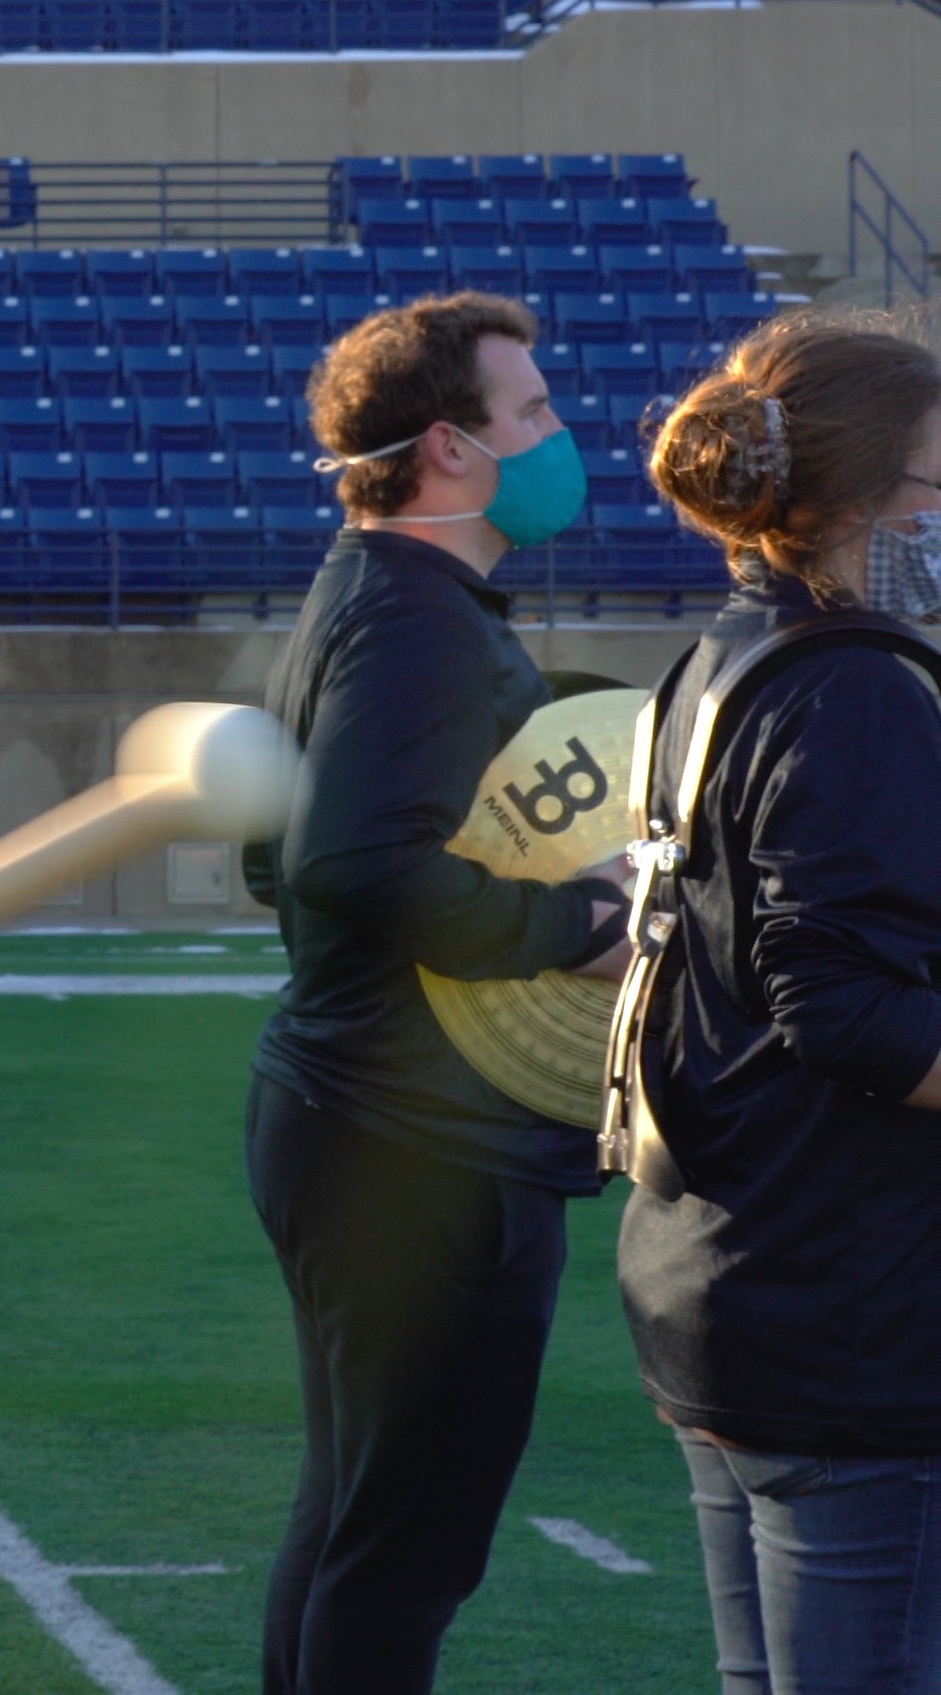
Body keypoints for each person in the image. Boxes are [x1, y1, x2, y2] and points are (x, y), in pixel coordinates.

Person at [249, 291, 632, 1694]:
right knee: (404, 1553)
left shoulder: (373, 590)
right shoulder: (414, 619)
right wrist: (574, 924)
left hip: (367, 1119)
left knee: (356, 1523)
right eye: (531, 412)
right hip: (421, 1146)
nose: (559, 434)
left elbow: (276, 856)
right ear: (448, 451)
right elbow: (347, 863)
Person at [622, 315, 941, 1695]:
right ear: (864, 495)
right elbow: (850, 1012)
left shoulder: (726, 652)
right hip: (844, 1310)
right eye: (939, 479)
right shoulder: (855, 684)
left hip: (730, 1269)